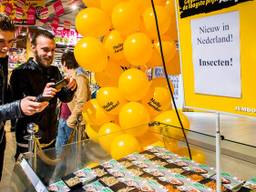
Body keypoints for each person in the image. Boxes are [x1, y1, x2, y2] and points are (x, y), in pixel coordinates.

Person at [10, 29, 77, 160]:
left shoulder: (54, 70)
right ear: (34, 48)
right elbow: (19, 108)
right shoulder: (20, 72)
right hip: (29, 138)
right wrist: (43, 96)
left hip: (51, 136)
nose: (50, 54)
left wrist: (71, 87)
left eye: (53, 50)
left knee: (47, 177)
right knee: (29, 179)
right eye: (45, 49)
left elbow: (65, 98)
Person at [0, 13, 48, 181]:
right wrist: (17, 107)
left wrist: (34, 101)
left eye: (10, 42)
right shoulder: (20, 70)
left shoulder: (3, 60)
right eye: (1, 42)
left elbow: (6, 99)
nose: (6, 48)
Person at [55, 51, 90, 154]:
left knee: (74, 153)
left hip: (72, 121)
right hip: (64, 118)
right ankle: (61, 169)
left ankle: (71, 170)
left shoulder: (80, 78)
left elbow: (81, 101)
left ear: (65, 63)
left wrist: (71, 120)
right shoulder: (70, 77)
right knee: (60, 151)